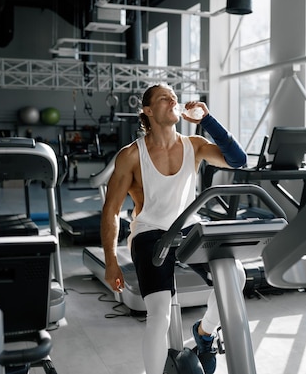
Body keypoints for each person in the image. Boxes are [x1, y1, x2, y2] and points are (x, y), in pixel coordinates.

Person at [100, 83, 248, 374]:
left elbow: (238, 160)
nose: (173, 101)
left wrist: (207, 120)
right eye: (164, 98)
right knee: (159, 316)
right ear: (148, 110)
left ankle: (205, 333)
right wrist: (111, 262)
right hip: (150, 234)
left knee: (237, 275)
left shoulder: (193, 146)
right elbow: (111, 211)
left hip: (189, 227)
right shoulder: (131, 155)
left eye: (175, 98)